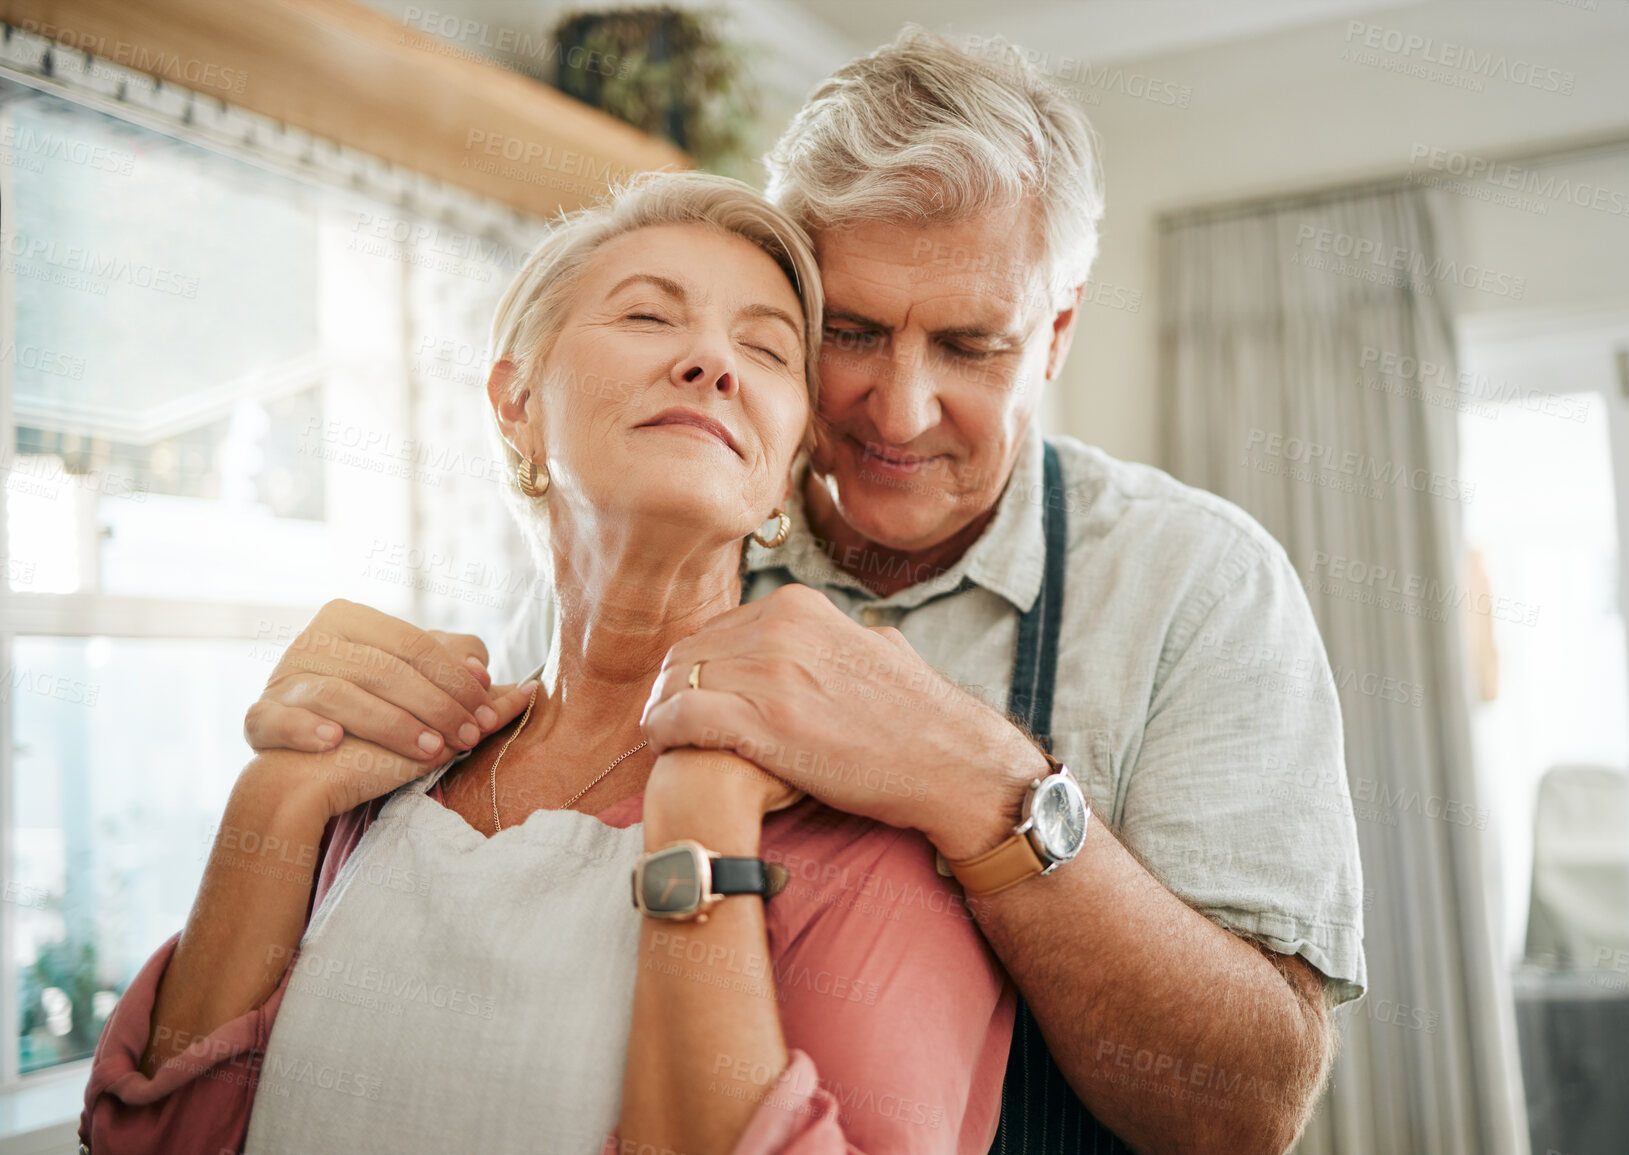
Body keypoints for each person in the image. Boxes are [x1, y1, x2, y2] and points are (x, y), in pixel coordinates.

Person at [246, 27, 1368, 1155]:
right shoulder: (656, 528)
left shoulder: (1203, 585)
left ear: (1057, 333)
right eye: (853, 333)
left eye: (972, 346)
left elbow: (1247, 1109)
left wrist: (984, 788)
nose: (900, 409)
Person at [78, 172, 1016, 1155]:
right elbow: (159, 1141)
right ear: (516, 403)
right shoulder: (369, 782)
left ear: (785, 473)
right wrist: (274, 797)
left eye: (765, 347)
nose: (709, 361)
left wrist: (696, 817)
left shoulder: (874, 848)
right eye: (651, 316)